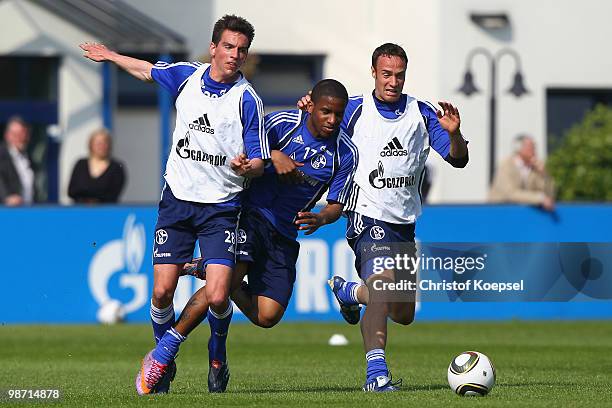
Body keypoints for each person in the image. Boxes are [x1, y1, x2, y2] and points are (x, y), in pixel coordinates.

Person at [80, 14, 269, 395]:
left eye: (241, 50)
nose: (234, 55)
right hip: (177, 203)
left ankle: (216, 354)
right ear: (214, 48)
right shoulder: (188, 76)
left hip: (221, 207)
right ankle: (164, 365)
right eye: (228, 47)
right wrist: (112, 55)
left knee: (218, 294)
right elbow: (148, 71)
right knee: (162, 292)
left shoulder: (248, 100)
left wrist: (248, 166)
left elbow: (260, 161)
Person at [147, 79, 357, 393]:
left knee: (267, 315)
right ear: (310, 104)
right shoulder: (282, 124)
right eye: (326, 111)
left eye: (338, 115)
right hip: (250, 214)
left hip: (284, 234)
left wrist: (322, 217)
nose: (332, 120)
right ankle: (168, 349)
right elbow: (242, 148)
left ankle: (211, 267)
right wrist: (275, 155)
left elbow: (337, 205)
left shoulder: (345, 153)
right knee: (224, 286)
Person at [300, 43, 469, 392]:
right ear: (374, 72)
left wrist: (454, 135)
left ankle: (349, 292)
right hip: (365, 214)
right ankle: (376, 375)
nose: (393, 81)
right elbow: (321, 131)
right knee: (383, 285)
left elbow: (459, 159)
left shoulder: (421, 113)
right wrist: (309, 111)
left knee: (403, 313)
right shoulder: (355, 110)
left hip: (403, 222)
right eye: (386, 74)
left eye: (399, 75)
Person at [489, 134, 555, 211]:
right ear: (518, 148)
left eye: (534, 147)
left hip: (523, 213)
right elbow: (509, 193)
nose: (533, 150)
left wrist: (544, 174)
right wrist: (539, 198)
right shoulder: (506, 165)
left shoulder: (534, 168)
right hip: (499, 212)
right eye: (530, 147)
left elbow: (549, 195)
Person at [68, 128, 126, 203]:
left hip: (105, 211)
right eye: (98, 143)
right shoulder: (80, 164)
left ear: (109, 145)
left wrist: (88, 193)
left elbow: (113, 194)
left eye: (104, 143)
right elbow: (72, 191)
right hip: (80, 211)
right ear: (91, 145)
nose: (101, 146)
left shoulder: (116, 167)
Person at [0, 116, 36, 206]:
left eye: (23, 134)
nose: (20, 138)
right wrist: (6, 197)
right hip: (7, 212)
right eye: (15, 134)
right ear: (7, 136)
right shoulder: (1, 155)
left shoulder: (28, 158)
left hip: (30, 210)